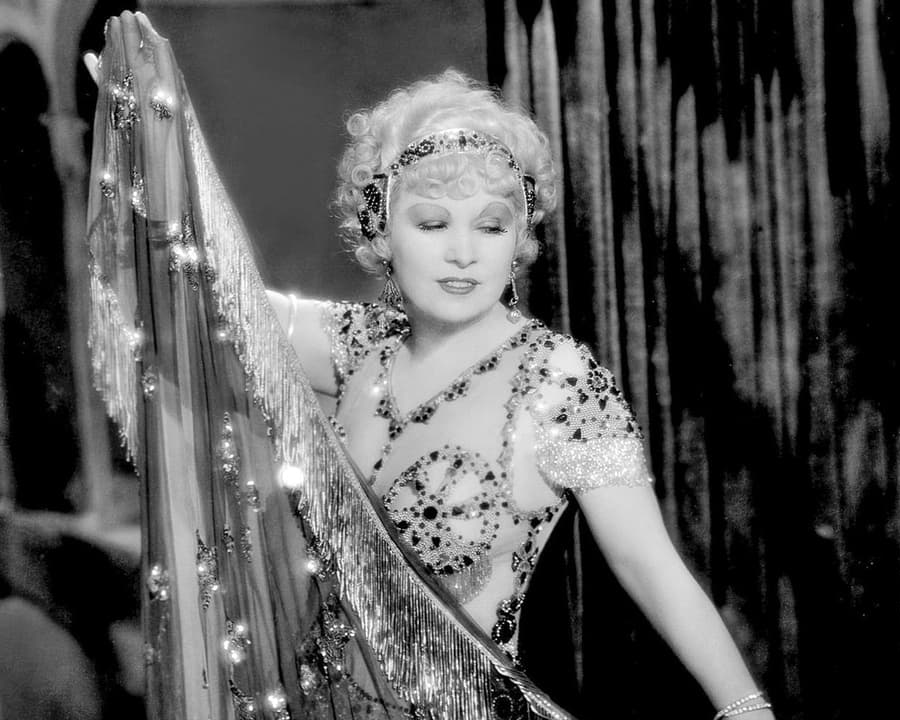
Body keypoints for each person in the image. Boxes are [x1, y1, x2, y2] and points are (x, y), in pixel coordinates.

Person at [86, 12, 775, 720]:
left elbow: (649, 566)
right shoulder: (355, 347)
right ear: (381, 229)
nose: (464, 253)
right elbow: (201, 290)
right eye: (433, 222)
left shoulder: (560, 382)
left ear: (519, 239)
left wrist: (747, 710)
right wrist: (147, 140)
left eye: (491, 225)